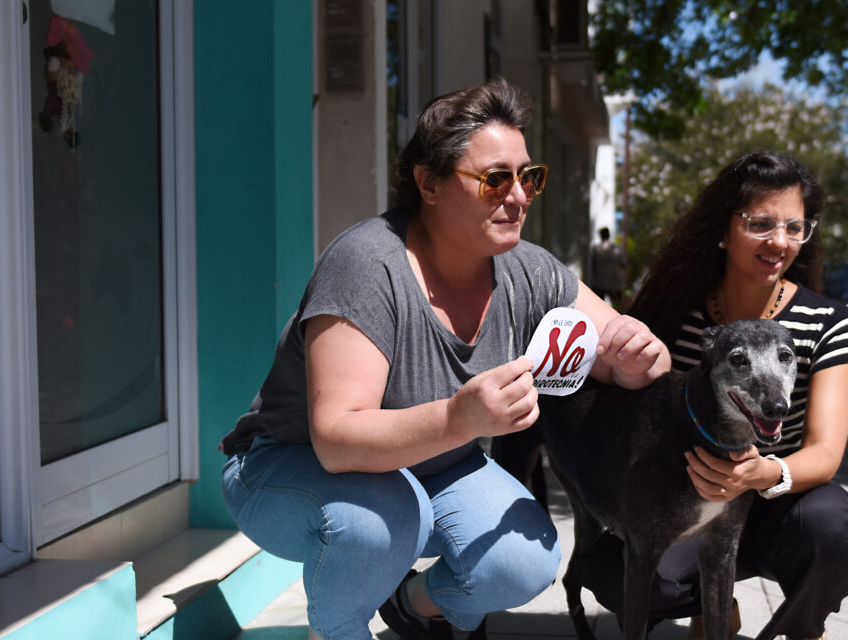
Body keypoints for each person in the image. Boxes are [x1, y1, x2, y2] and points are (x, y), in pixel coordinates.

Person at [216, 78, 670, 640]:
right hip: (287, 470)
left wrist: (639, 358)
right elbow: (335, 439)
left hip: (426, 470)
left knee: (522, 559)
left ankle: (411, 602)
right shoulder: (367, 264)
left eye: (528, 177)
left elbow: (616, 351)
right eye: (494, 179)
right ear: (428, 183)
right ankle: (336, 628)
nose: (520, 196)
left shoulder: (528, 269)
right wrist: (462, 419)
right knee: (382, 522)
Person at [577, 150, 848, 640]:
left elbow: (825, 451)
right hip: (685, 505)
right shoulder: (677, 316)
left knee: (834, 527)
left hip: (777, 503)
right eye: (760, 223)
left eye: (795, 227)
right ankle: (711, 602)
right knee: (614, 572)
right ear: (722, 231)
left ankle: (802, 627)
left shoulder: (829, 322)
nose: (779, 241)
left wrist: (762, 473)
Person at [589, 226, 628, 305]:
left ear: (601, 236)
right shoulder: (617, 249)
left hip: (599, 284)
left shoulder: (596, 249)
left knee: (598, 307)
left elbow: (592, 266)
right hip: (615, 283)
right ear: (609, 235)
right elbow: (623, 264)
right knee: (619, 308)